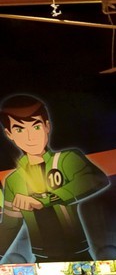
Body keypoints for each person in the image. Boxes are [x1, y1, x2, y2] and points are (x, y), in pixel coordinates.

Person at [0, 94, 105, 262]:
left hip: (79, 255)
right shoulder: (14, 180)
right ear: (9, 134)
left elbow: (94, 179)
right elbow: (10, 225)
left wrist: (44, 200)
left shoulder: (66, 159)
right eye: (19, 129)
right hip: (42, 259)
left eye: (36, 127)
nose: (30, 137)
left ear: (47, 126)